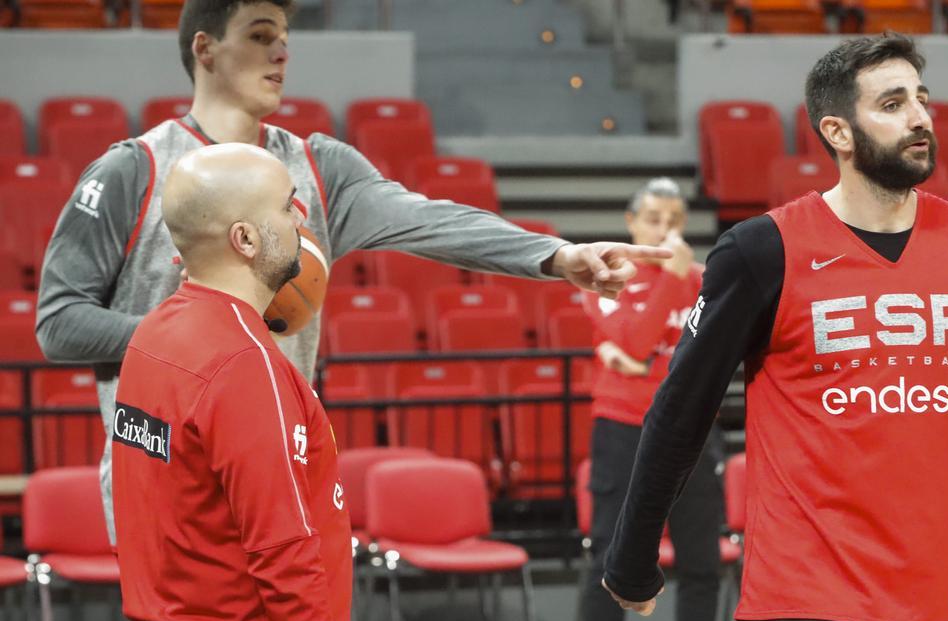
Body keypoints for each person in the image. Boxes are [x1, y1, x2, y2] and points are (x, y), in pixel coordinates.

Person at [34, 0, 668, 543]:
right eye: (260, 36)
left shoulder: (319, 166)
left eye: (284, 39)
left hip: (277, 465)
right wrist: (184, 338)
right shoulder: (131, 169)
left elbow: (429, 220)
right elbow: (59, 323)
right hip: (164, 470)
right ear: (205, 48)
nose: (281, 52)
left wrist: (556, 257)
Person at [601, 33, 948, 621]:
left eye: (922, 99)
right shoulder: (760, 250)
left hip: (935, 590)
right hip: (811, 591)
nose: (919, 118)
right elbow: (682, 408)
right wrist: (633, 553)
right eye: (892, 103)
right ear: (839, 132)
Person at [112, 143, 349, 621]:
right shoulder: (246, 363)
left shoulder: (153, 333)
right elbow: (283, 553)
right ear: (244, 239)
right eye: (287, 207)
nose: (300, 219)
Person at [580, 178, 722, 621]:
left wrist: (635, 359)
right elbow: (639, 343)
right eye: (655, 219)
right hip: (623, 429)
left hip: (693, 433)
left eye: (675, 220)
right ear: (632, 224)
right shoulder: (608, 280)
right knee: (607, 561)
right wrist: (670, 282)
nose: (665, 230)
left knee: (702, 564)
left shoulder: (707, 279)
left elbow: (710, 359)